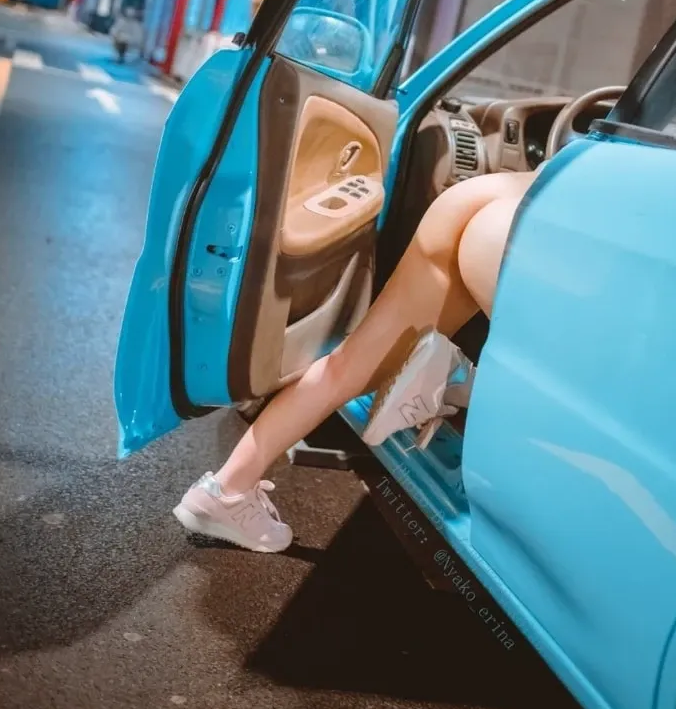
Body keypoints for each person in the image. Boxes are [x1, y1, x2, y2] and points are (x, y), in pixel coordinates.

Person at [173, 166, 543, 552]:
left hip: (478, 197)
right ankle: (457, 382)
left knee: (343, 367)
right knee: (556, 386)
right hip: (528, 227)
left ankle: (226, 489)